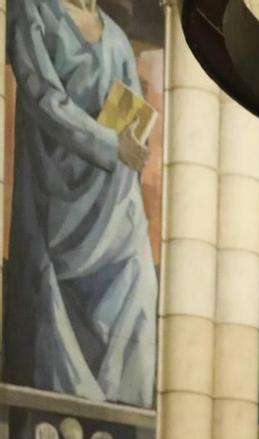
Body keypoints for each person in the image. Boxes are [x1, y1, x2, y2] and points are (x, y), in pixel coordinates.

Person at [4, 0, 158, 406]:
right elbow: (43, 99)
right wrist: (111, 144)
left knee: (140, 280)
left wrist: (130, 144)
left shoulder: (118, 39)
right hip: (53, 198)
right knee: (50, 313)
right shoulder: (32, 10)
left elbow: (130, 118)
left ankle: (127, 408)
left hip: (112, 200)